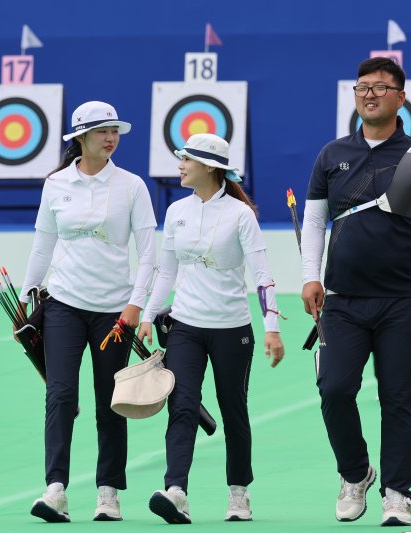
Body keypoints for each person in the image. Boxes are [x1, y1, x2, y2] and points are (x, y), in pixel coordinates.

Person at [300, 57, 411, 527]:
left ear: (400, 98)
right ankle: (356, 474)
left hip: (402, 300)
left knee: (398, 396)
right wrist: (311, 275)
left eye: (381, 88)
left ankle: (397, 493)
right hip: (342, 300)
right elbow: (313, 220)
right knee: (334, 389)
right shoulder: (331, 155)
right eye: (362, 87)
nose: (370, 94)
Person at [16, 101, 157, 523]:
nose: (111, 138)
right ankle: (55, 489)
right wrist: (27, 294)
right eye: (101, 132)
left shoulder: (132, 185)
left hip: (113, 311)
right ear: (80, 138)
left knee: (109, 402)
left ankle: (108, 492)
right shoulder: (56, 183)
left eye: (114, 131)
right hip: (62, 305)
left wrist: (137, 305)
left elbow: (149, 253)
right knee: (59, 394)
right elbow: (43, 242)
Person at [137, 133, 286, 524]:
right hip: (185, 325)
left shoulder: (240, 215)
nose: (180, 165)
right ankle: (176, 491)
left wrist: (272, 327)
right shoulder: (176, 211)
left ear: (209, 167)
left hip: (232, 328)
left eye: (187, 159)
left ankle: (239, 493)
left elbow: (263, 277)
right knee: (181, 405)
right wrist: (149, 316)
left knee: (234, 410)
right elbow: (167, 270)